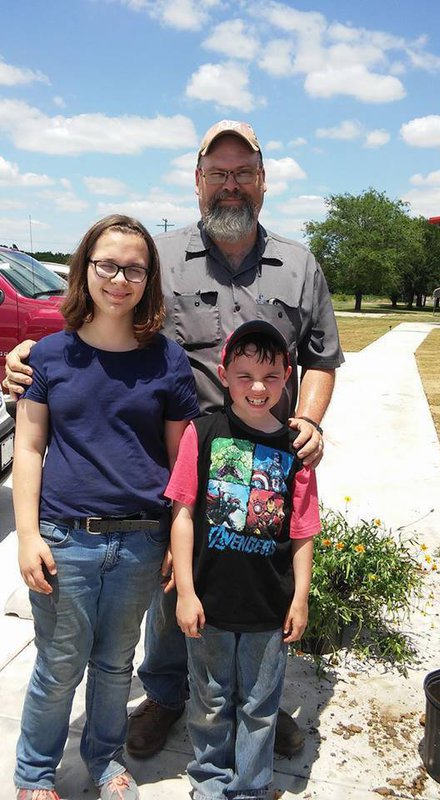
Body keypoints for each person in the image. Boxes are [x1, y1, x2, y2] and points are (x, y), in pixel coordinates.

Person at [4, 119, 344, 760]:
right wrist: (30, 348)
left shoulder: (301, 265)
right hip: (183, 454)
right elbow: (105, 305)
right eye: (217, 173)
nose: (230, 185)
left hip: (266, 460)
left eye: (243, 172)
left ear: (263, 182)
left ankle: (258, 702)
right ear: (197, 183)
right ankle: (165, 693)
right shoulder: (161, 258)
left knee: (263, 576)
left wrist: (312, 420)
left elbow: (322, 358)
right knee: (173, 582)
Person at [12, 214, 199, 800]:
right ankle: (35, 773)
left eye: (134, 268)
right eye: (107, 265)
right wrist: (25, 535)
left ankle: (103, 759)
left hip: (141, 540)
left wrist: (174, 537)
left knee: (117, 665)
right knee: (59, 665)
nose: (120, 278)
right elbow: (28, 446)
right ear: (84, 269)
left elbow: (180, 462)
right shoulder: (47, 357)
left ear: (149, 278)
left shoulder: (166, 361)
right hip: (65, 538)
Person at [166, 320, 321, 800]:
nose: (258, 387)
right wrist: (187, 592)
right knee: (210, 701)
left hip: (267, 607)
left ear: (288, 377)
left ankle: (252, 787)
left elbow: (302, 529)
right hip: (209, 601)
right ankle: (210, 783)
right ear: (223, 373)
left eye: (271, 376)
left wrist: (300, 597)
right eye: (244, 375)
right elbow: (184, 513)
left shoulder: (296, 449)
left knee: (259, 705)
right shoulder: (202, 432)